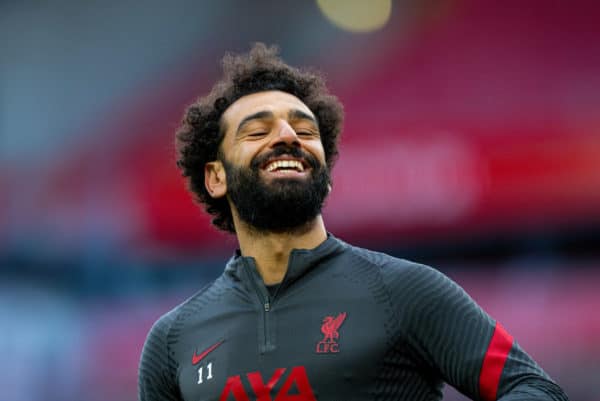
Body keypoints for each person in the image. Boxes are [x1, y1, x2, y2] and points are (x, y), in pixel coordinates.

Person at [138, 43, 568, 401]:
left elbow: (534, 389)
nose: (288, 135)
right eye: (257, 131)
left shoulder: (404, 290)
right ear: (215, 177)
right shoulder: (173, 341)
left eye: (305, 131)